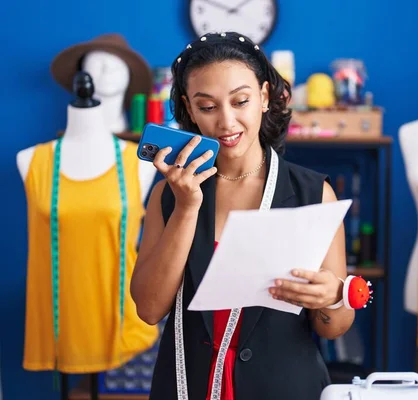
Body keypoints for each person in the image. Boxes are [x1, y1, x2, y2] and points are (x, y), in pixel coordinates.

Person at [130, 31, 357, 400]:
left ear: (265, 97)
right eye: (207, 107)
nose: (226, 122)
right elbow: (150, 309)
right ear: (188, 109)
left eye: (241, 101)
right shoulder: (168, 196)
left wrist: (333, 297)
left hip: (284, 388)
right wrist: (187, 209)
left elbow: (334, 327)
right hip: (190, 386)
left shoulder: (312, 194)